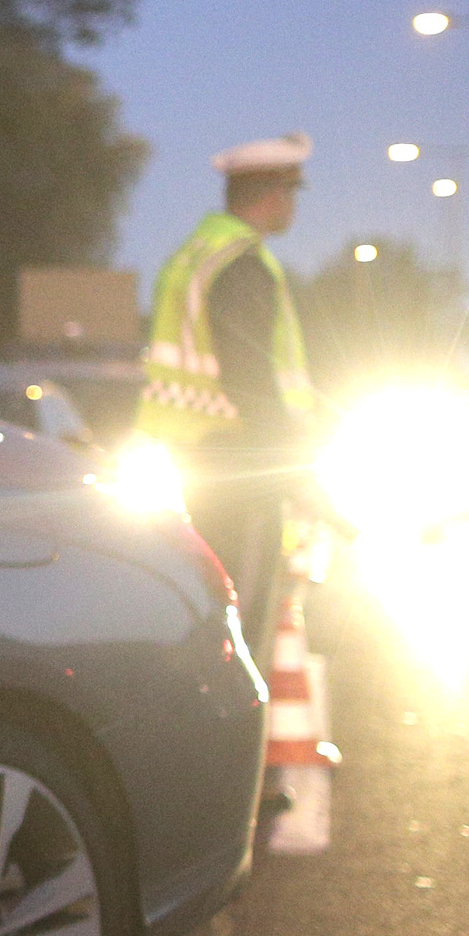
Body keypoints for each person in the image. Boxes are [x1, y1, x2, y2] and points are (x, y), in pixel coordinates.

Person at [137, 133, 325, 638]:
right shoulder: (242, 264)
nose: (293, 207)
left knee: (209, 604)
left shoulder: (194, 254)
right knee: (240, 615)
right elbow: (252, 378)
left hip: (198, 457)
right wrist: (295, 469)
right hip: (241, 463)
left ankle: (204, 704)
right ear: (272, 195)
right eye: (292, 193)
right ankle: (231, 712)